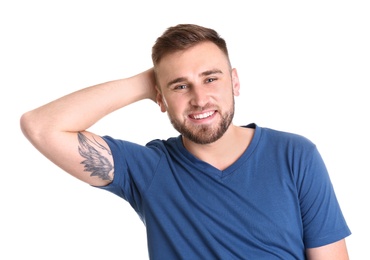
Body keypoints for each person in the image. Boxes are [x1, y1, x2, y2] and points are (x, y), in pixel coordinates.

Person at [20, 24, 351, 259]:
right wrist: (147, 81)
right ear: (160, 98)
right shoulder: (148, 169)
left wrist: (170, 80)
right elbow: (41, 127)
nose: (199, 98)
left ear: (234, 81)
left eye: (210, 78)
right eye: (180, 86)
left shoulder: (294, 155)